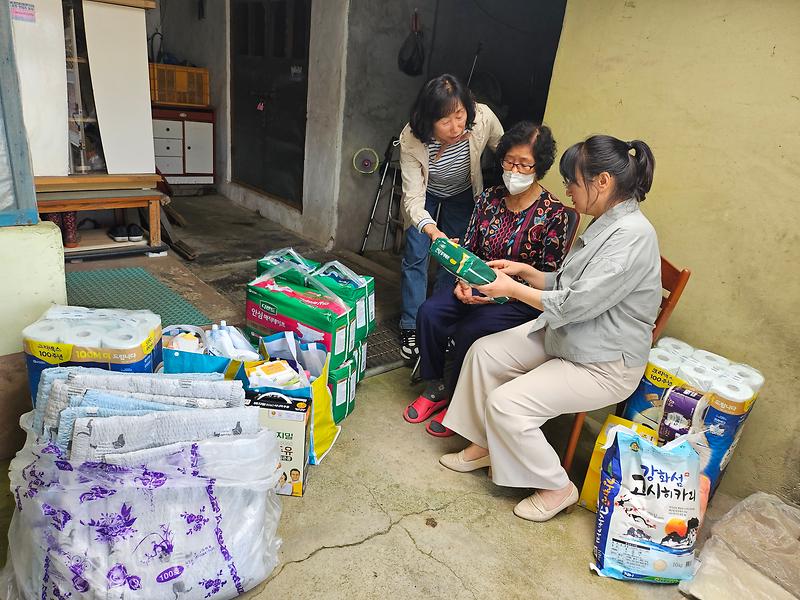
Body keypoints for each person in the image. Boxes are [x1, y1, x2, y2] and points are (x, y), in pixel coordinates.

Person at [439, 135, 661, 523]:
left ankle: (557, 487)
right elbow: (568, 283)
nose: (568, 189)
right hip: (571, 337)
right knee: (484, 352)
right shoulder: (608, 223)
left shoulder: (631, 237)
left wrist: (512, 289)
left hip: (602, 363)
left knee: (507, 404)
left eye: (573, 181)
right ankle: (485, 445)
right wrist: (527, 272)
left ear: (602, 181)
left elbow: (575, 303)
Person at [403, 122, 572, 438]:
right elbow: (467, 250)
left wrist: (503, 292)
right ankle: (436, 385)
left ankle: (458, 400)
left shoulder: (554, 214)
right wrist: (463, 283)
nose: (514, 170)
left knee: (471, 329)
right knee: (429, 313)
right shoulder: (488, 199)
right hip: (474, 287)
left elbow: (550, 277)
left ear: (540, 167)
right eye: (509, 161)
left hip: (518, 299)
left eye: (524, 164)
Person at [398, 74, 504, 361]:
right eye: (445, 121)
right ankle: (411, 324)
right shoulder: (411, 138)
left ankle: (437, 319)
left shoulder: (482, 117)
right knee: (416, 253)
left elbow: (506, 149)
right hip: (426, 194)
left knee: (453, 257)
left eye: (459, 116)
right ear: (428, 119)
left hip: (463, 193)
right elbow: (413, 199)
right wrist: (432, 231)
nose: (456, 127)